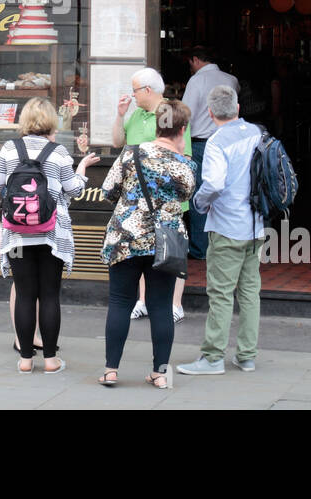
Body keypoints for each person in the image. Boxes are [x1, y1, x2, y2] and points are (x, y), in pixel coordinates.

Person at [0, 97, 98, 374]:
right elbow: (73, 190)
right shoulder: (58, 152)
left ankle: (25, 360)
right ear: (51, 122)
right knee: (49, 295)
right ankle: (50, 360)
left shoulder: (9, 149)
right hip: (51, 234)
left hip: (16, 236)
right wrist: (81, 171)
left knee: (24, 294)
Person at [98, 100, 196, 389]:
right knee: (162, 306)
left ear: (157, 125)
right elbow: (186, 194)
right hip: (165, 240)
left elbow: (107, 190)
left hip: (125, 237)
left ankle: (111, 371)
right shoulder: (185, 163)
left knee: (119, 302)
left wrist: (131, 204)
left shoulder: (131, 154)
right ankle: (160, 373)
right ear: (182, 129)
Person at [177, 85, 264, 376]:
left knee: (221, 292)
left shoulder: (216, 142)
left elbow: (213, 184)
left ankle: (213, 357)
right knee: (250, 291)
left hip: (227, 225)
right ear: (238, 108)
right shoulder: (256, 133)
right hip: (255, 225)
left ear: (210, 113)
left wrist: (199, 203)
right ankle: (247, 356)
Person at [110, 67, 191, 322]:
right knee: (144, 251)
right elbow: (117, 143)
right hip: (138, 203)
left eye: (135, 90)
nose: (132, 95)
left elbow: (184, 156)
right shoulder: (136, 115)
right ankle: (143, 300)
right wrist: (120, 115)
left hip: (165, 200)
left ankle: (175, 304)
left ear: (147, 90)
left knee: (173, 250)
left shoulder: (171, 114)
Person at [180, 46, 239, 261]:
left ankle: (201, 248)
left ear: (195, 60)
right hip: (228, 143)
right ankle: (227, 245)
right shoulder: (231, 80)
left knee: (200, 196)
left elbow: (185, 113)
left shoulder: (197, 80)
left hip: (201, 144)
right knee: (226, 194)